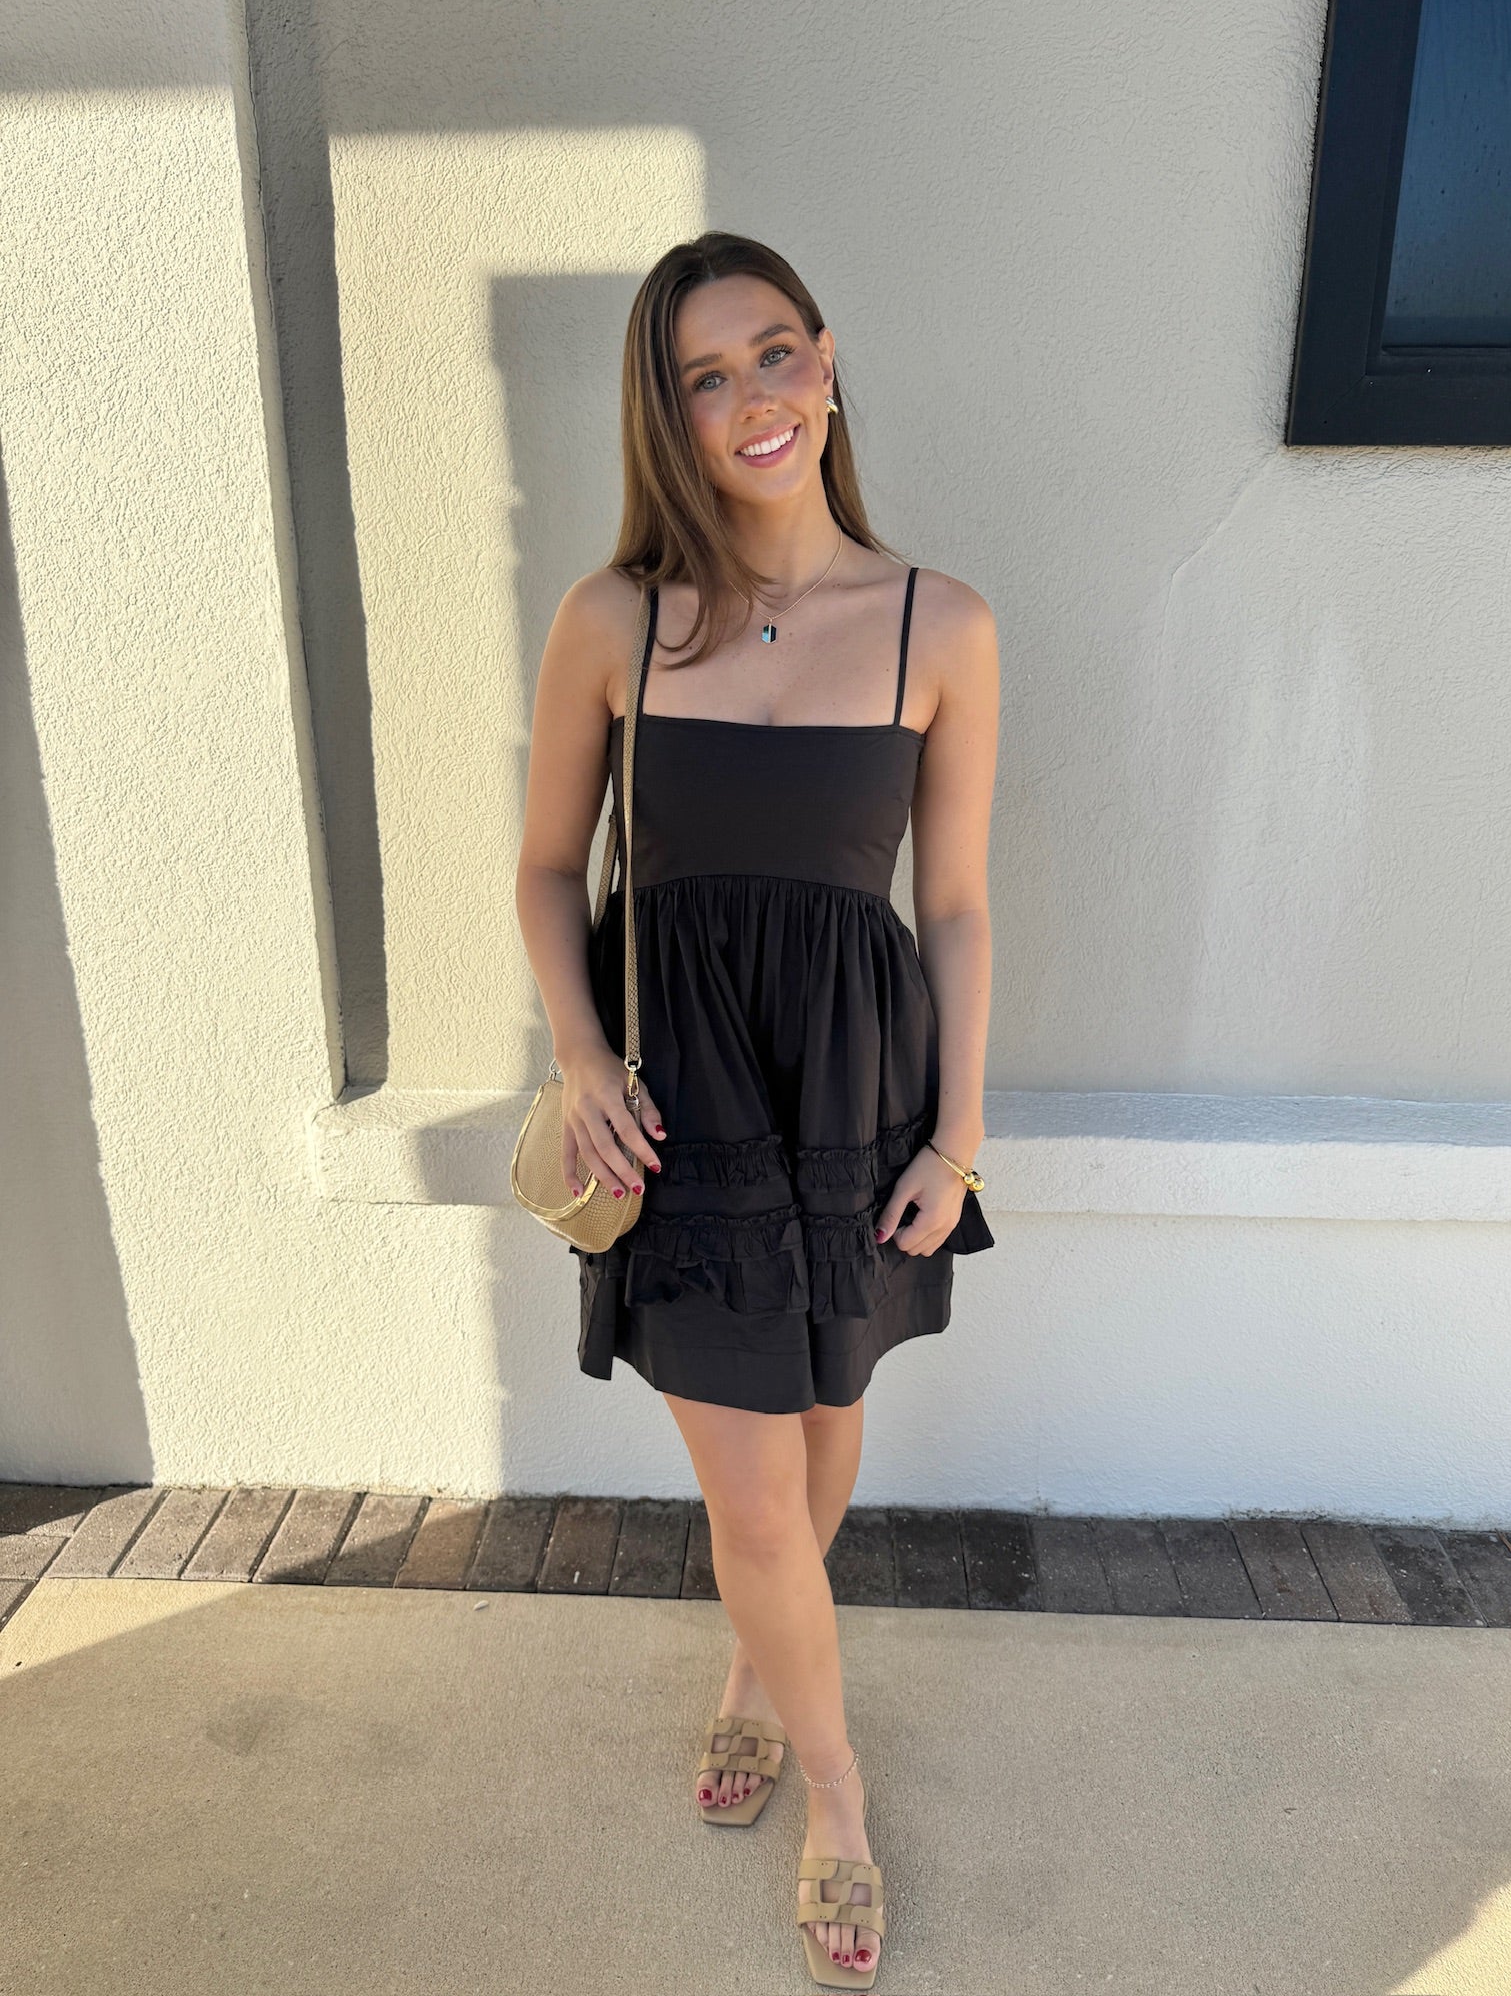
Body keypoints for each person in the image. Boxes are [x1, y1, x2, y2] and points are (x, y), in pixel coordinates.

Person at [516, 231, 999, 1988]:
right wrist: (578, 1054)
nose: (750, 400)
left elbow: (952, 906)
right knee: (753, 1497)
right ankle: (844, 1798)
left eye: (772, 353)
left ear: (829, 364)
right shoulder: (611, 619)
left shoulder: (941, 624)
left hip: (860, 1093)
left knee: (819, 1432)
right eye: (704, 376)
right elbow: (545, 868)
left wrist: (955, 1136)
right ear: (668, 414)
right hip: (684, 1105)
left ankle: (751, 1668)